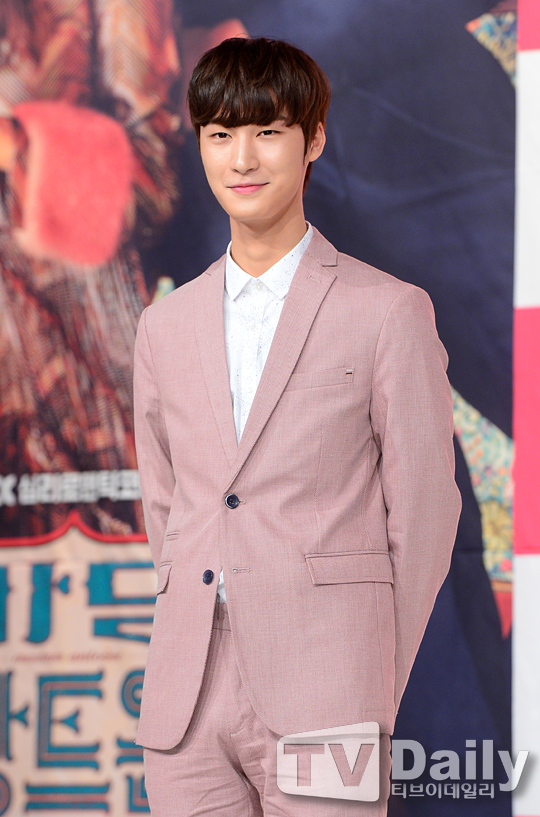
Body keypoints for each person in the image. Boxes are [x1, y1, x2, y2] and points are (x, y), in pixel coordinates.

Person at [133, 36, 462, 817]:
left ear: (312, 140)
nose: (242, 158)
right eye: (221, 134)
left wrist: (369, 674)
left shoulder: (387, 310)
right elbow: (167, 505)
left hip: (330, 685)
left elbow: (425, 509)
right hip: (187, 700)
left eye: (267, 131)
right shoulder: (163, 325)